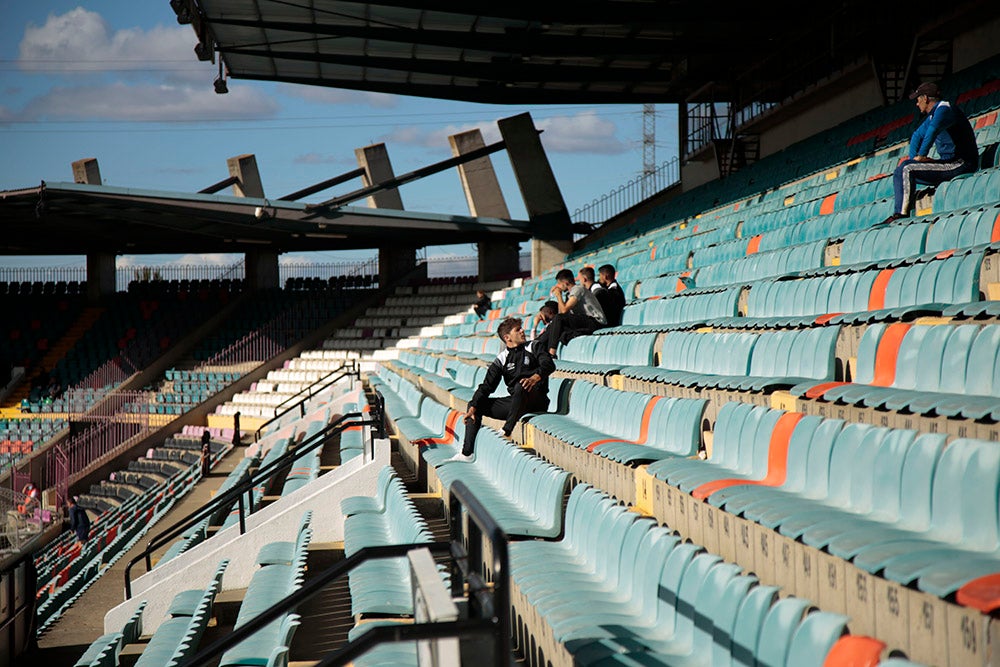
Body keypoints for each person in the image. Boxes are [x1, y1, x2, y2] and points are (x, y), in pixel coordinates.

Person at [451, 317, 554, 461]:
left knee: (521, 386)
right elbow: (487, 386)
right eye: (518, 329)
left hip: (536, 400)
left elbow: (549, 364)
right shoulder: (502, 358)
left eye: (521, 328)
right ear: (507, 337)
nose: (523, 331)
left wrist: (535, 378)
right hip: (516, 403)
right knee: (475, 405)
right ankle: (467, 453)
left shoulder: (534, 346)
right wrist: (473, 406)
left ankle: (507, 430)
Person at [882, 81, 978, 225]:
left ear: (925, 98)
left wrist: (921, 156)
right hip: (948, 163)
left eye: (918, 99)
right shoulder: (933, 115)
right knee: (903, 169)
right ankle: (901, 213)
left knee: (907, 168)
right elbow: (916, 135)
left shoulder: (945, 109)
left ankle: (901, 215)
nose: (916, 104)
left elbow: (932, 131)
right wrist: (915, 159)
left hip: (961, 163)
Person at [545, 268, 607, 357]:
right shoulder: (570, 293)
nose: (558, 287)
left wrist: (558, 295)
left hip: (595, 321)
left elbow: (563, 311)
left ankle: (551, 353)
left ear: (565, 283)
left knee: (558, 319)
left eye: (559, 284)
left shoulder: (578, 289)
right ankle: (537, 347)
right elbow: (561, 313)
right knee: (554, 325)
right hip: (585, 320)